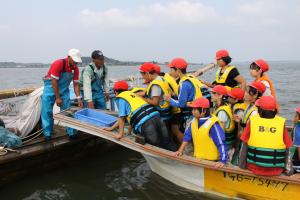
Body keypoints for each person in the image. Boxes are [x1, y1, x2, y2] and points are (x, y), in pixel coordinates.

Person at [103, 80, 177, 151]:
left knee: (155, 147)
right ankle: (177, 158)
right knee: (168, 142)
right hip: (157, 117)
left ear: (115, 92)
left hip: (146, 123)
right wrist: (115, 128)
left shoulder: (121, 98)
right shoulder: (133, 95)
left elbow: (122, 118)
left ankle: (164, 162)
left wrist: (120, 134)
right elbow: (132, 115)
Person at [239, 96, 293, 176]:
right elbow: (288, 148)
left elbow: (244, 145)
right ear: (274, 110)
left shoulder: (253, 121)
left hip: (254, 167)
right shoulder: (281, 123)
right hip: (276, 170)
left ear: (260, 110)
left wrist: (241, 166)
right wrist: (289, 171)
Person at [41, 49, 83, 139]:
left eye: (77, 61)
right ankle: (47, 133)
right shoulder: (58, 63)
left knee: (67, 110)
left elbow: (76, 84)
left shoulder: (75, 69)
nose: (76, 63)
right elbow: (54, 81)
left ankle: (71, 132)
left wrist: (79, 98)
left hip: (64, 89)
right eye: (75, 60)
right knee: (47, 111)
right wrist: (58, 97)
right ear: (68, 57)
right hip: (50, 88)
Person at [175, 97, 227, 168]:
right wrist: (180, 150)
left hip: (211, 162)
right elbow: (187, 136)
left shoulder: (213, 125)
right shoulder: (194, 121)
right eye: (192, 109)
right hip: (199, 159)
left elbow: (221, 143)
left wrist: (222, 161)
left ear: (203, 111)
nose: (192, 112)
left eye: (195, 109)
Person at [163, 58, 203, 126]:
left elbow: (181, 104)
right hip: (199, 112)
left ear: (178, 70)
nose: (170, 72)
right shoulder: (190, 78)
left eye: (171, 70)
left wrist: (169, 99)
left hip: (191, 115)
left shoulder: (184, 84)